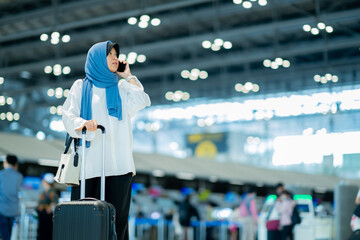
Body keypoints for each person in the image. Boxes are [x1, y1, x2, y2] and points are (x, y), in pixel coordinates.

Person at [62, 40, 151, 239]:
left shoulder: (121, 88)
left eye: (115, 54)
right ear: (96, 59)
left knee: (117, 221)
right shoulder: (80, 87)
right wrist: (83, 124)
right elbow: (67, 116)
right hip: (89, 165)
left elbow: (142, 99)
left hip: (119, 165)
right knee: (84, 218)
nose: (114, 58)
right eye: (109, 54)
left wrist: (128, 76)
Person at [0, 155, 23, 240]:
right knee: (8, 234)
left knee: (4, 234)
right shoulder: (19, 176)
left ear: (6, 162)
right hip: (13, 210)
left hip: (1, 209)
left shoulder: (1, 175)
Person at [36, 172, 59, 240]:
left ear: (45, 181)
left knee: (45, 234)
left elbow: (55, 202)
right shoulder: (47, 191)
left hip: (46, 217)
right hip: (43, 216)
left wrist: (48, 210)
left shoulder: (51, 191)